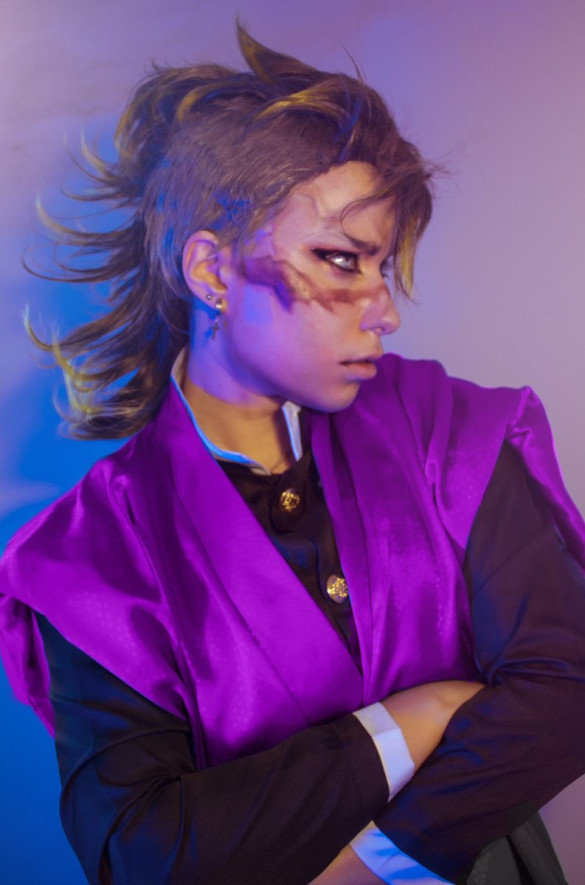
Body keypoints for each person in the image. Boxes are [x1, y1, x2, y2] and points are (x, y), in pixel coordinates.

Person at [1, 23, 585, 885]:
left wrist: (371, 864)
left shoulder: (446, 427)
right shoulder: (87, 555)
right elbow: (141, 853)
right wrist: (414, 717)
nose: (384, 310)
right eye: (340, 261)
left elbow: (568, 686)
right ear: (211, 272)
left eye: (382, 266)